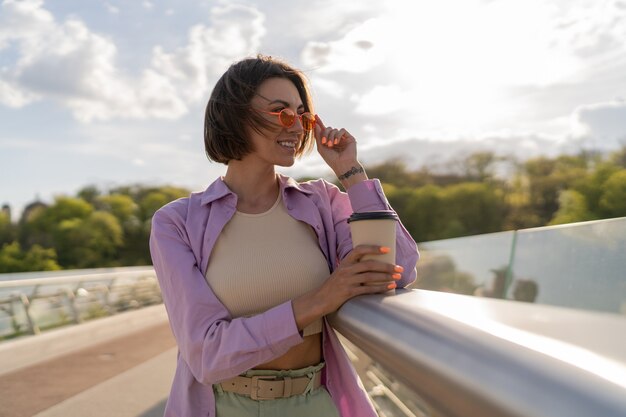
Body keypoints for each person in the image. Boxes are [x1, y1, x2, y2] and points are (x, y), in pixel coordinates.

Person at [150, 55, 419, 417]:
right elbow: (207, 354)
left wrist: (351, 173)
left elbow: (397, 268)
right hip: (223, 406)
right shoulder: (177, 223)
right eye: (282, 112)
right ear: (235, 115)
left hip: (317, 402)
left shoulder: (321, 202)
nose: (297, 127)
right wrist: (322, 298)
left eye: (302, 115)